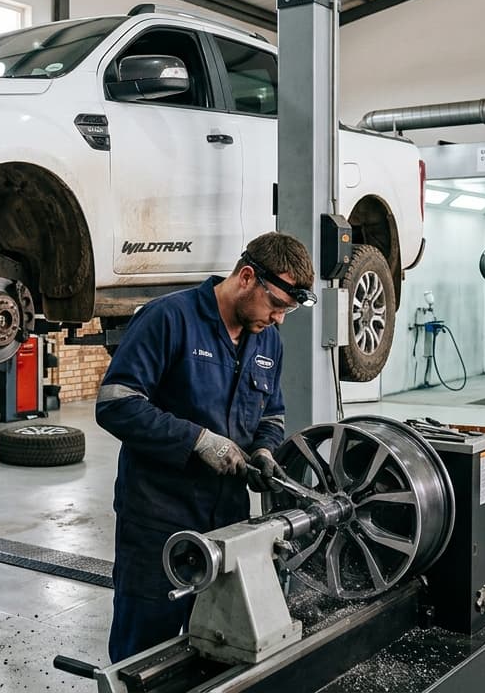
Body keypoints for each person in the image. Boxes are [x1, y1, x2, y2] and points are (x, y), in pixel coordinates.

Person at [96, 231, 318, 663]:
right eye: (275, 305)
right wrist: (197, 441)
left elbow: (271, 413)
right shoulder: (168, 319)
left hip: (228, 524)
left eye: (286, 311)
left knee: (218, 643)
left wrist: (265, 451)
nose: (278, 319)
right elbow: (115, 404)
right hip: (160, 521)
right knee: (146, 652)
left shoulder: (268, 339)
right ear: (247, 277)